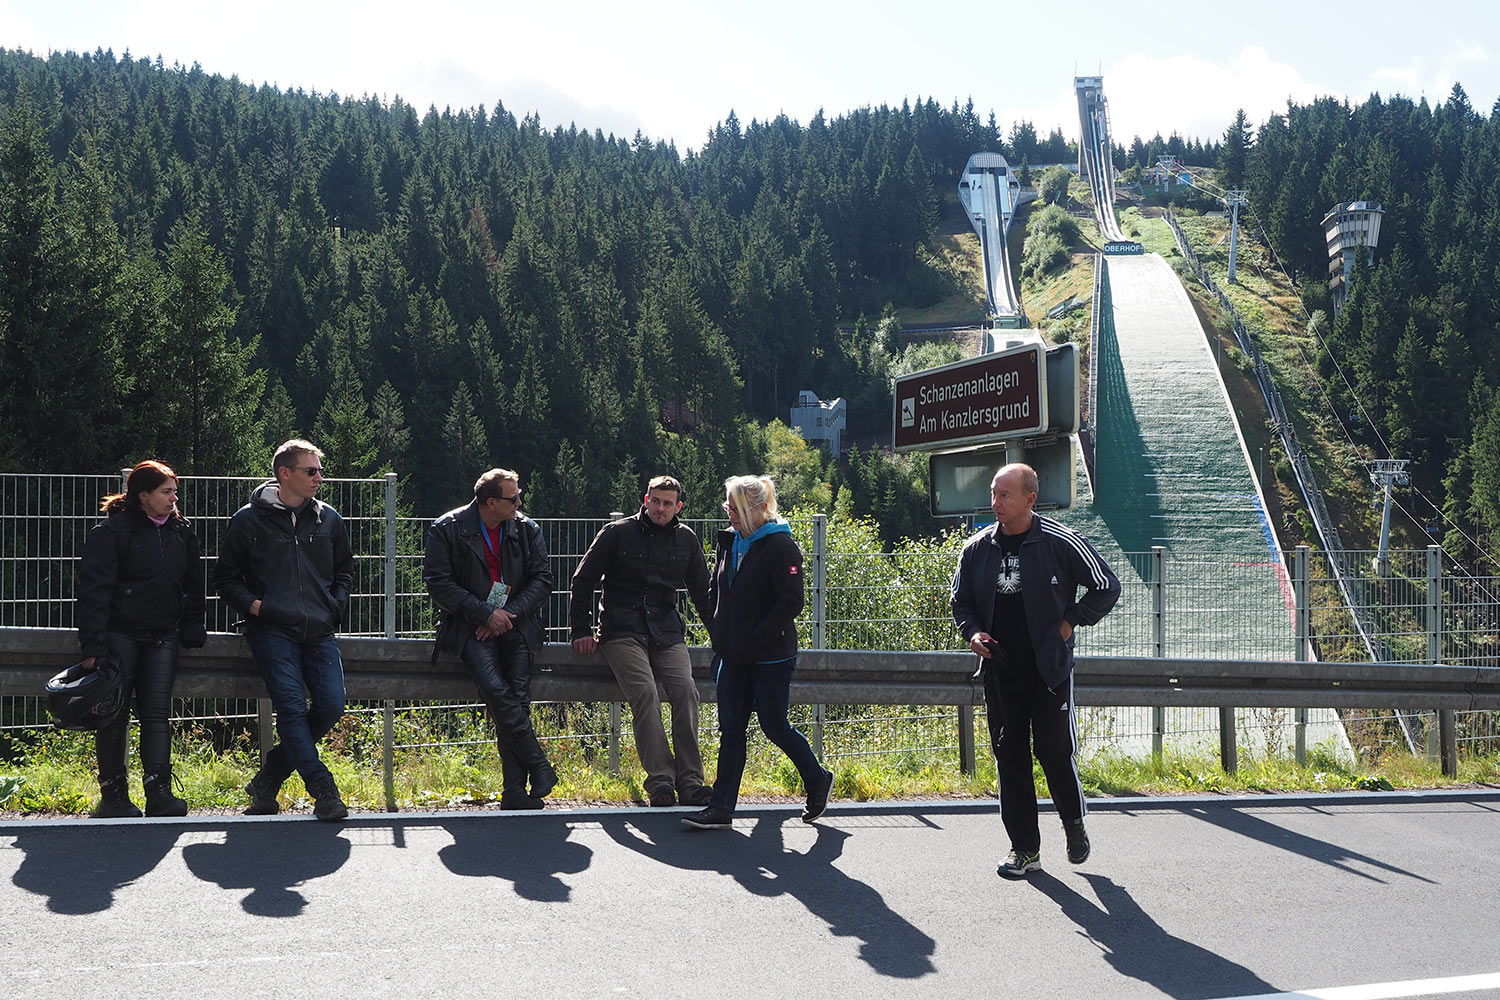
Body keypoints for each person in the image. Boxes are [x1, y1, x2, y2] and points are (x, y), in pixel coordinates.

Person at [950, 462, 1120, 878]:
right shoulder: (976, 548)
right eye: (993, 493)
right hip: (1001, 672)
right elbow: (961, 601)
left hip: (1049, 671)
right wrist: (973, 633)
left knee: (1053, 751)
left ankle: (1073, 824)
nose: (996, 502)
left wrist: (1069, 623)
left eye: (1005, 495)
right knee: (1010, 757)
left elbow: (1107, 586)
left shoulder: (1061, 541)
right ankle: (1025, 849)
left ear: (1030, 499)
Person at [682, 475, 834, 831]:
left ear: (758, 509)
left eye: (735, 508)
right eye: (728, 507)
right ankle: (721, 808)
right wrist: (718, 631)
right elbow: (715, 590)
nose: (730, 514)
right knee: (731, 730)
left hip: (770, 656)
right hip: (732, 655)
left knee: (774, 725)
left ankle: (817, 779)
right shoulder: (729, 541)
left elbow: (791, 601)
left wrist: (757, 636)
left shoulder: (781, 546)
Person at [214, 440, 354, 822]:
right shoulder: (248, 520)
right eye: (311, 471)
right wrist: (258, 608)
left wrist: (334, 606)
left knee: (331, 706)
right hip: (271, 631)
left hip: (319, 630)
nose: (319, 478)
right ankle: (323, 788)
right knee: (291, 709)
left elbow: (344, 571)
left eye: (320, 470)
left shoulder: (329, 519)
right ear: (285, 474)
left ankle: (269, 778)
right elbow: (226, 579)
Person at [569, 475, 714, 807]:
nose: (660, 508)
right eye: (655, 501)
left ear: (678, 507)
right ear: (645, 500)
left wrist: (721, 637)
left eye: (667, 503)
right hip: (622, 629)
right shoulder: (617, 533)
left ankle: (691, 782)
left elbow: (703, 594)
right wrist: (580, 630)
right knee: (645, 692)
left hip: (666, 630)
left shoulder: (686, 540)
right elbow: (583, 579)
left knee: (686, 691)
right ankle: (661, 780)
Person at [76, 460, 205, 818]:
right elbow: (94, 593)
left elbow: (194, 583)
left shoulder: (181, 531)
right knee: (114, 716)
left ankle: (158, 793)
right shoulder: (111, 532)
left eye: (175, 491)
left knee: (157, 715)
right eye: (166, 492)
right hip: (121, 636)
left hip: (164, 636)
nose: (174, 498)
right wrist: (94, 647)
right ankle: (114, 795)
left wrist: (193, 625)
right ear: (143, 495)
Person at [423, 468, 558, 809]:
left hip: (517, 623)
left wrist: (505, 615)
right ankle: (539, 765)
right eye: (513, 498)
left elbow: (542, 580)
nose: (520, 503)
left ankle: (514, 791)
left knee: (517, 698)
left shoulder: (526, 529)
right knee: (497, 691)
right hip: (469, 627)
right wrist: (484, 613)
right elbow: (438, 584)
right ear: (490, 502)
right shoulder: (447, 528)